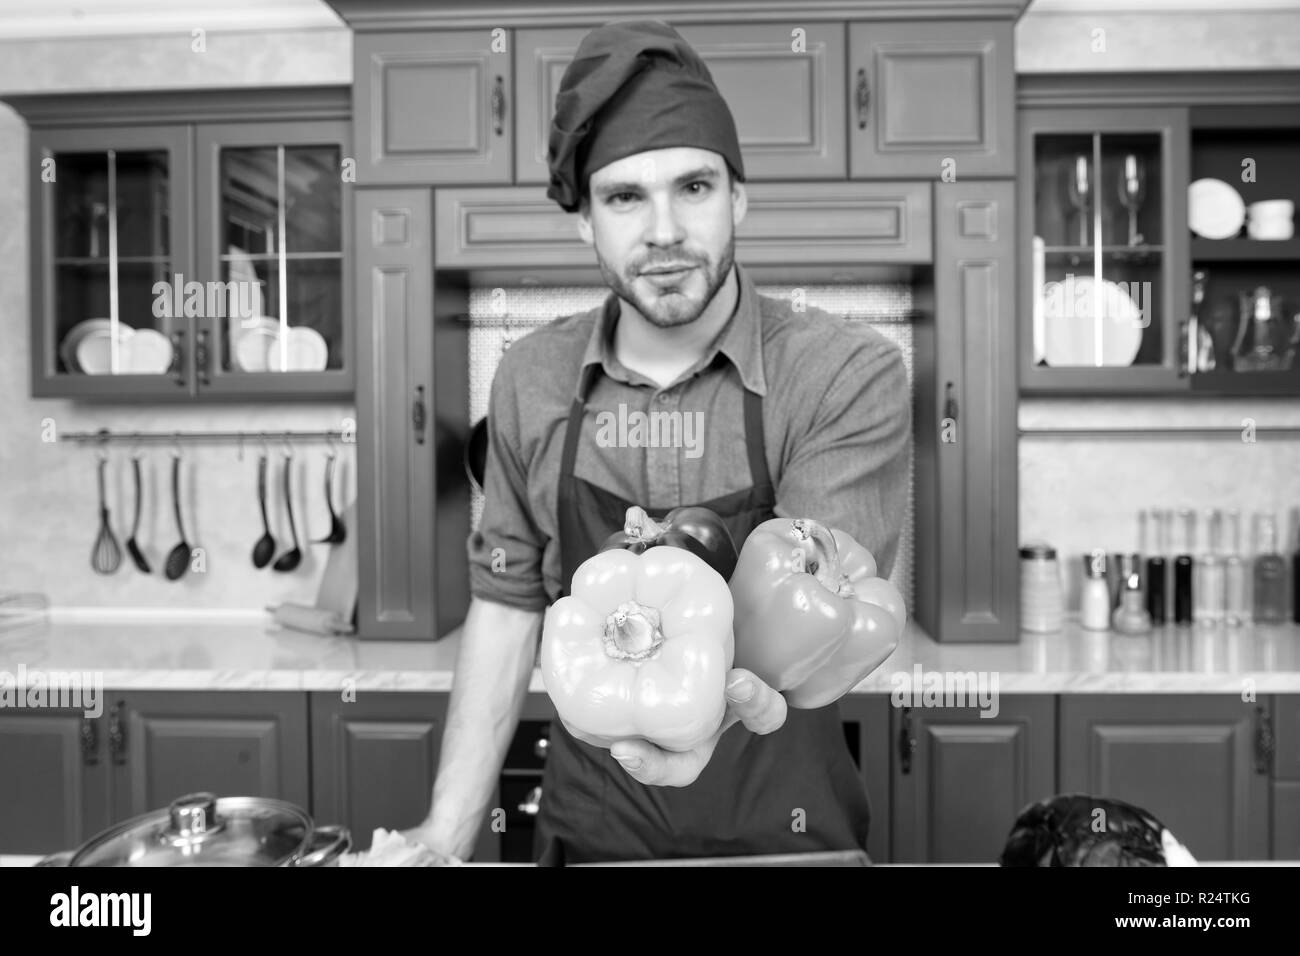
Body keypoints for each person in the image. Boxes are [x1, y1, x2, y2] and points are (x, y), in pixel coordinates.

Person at [405, 19, 911, 865]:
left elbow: (820, 599)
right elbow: (505, 607)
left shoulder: (842, 372)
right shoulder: (530, 379)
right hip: (591, 829)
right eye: (625, 196)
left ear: (739, 196)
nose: (665, 229)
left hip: (787, 837)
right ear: (585, 223)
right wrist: (447, 835)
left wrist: (696, 727)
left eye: (695, 187)